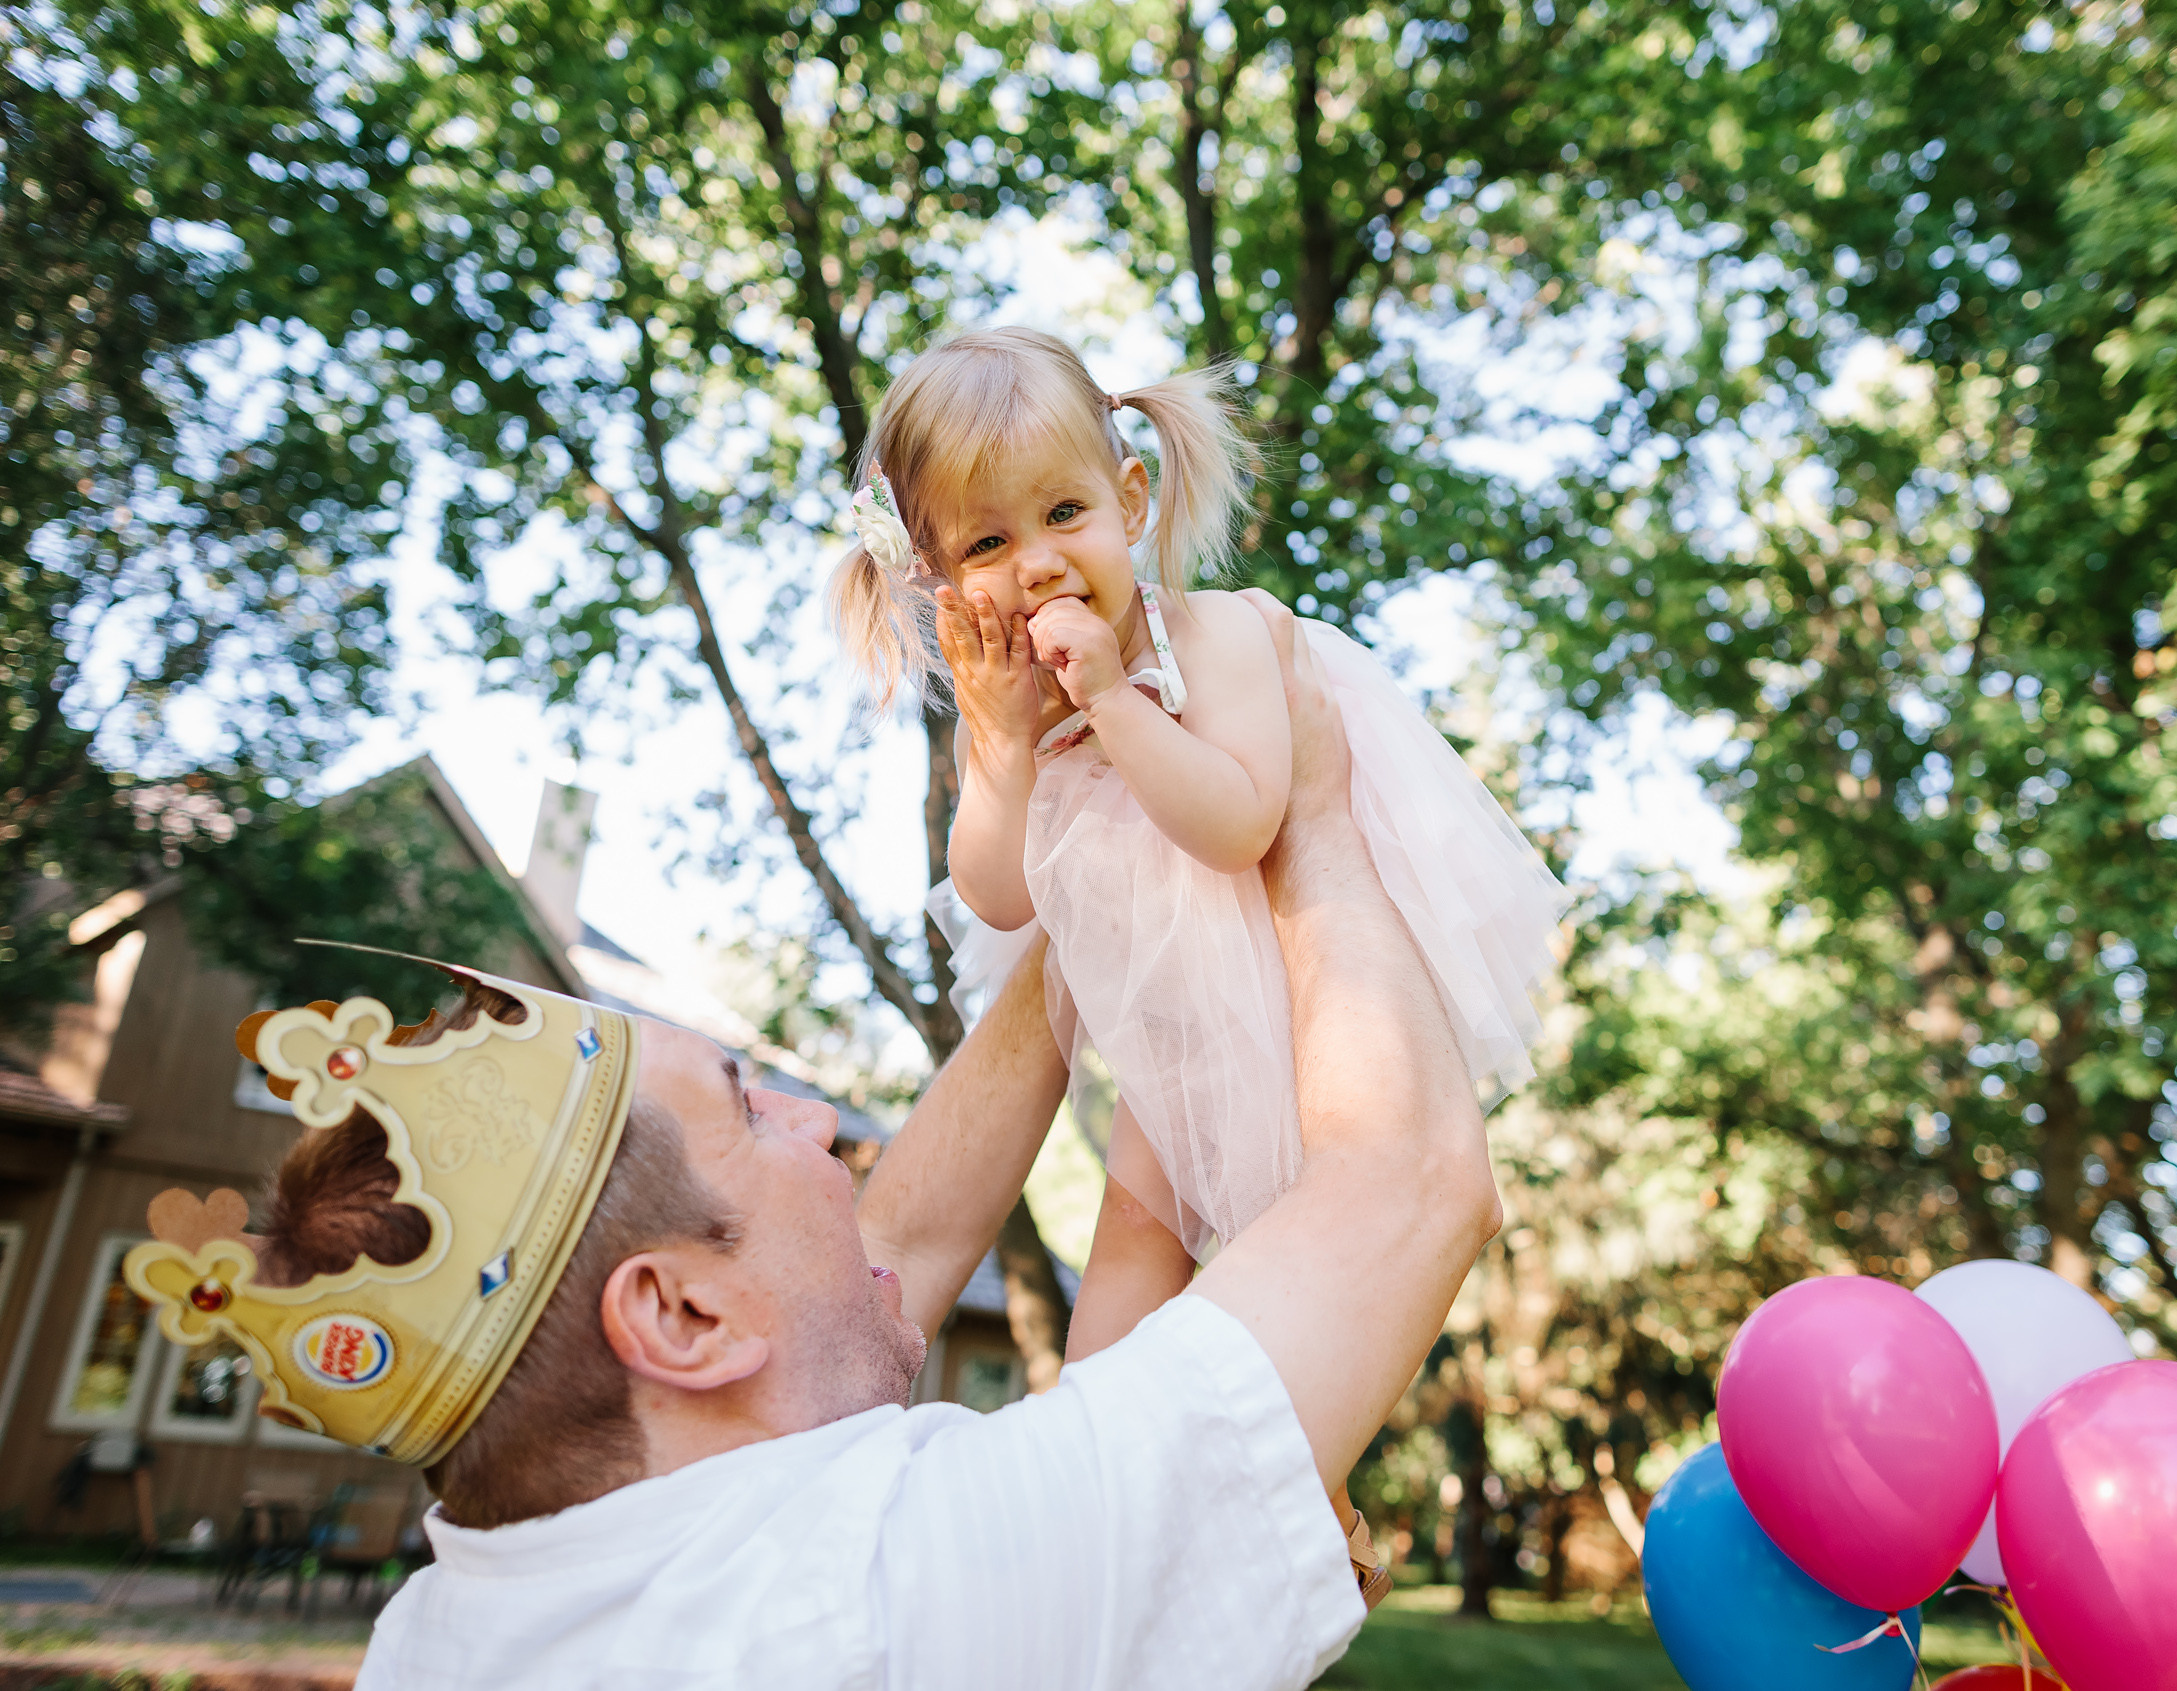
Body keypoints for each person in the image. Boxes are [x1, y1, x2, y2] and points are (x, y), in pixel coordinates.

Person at [119, 596, 1501, 1689]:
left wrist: (1098, 891)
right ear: (675, 1310)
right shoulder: (904, 1600)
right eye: (745, 1102)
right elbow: (1409, 1180)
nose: (823, 1118)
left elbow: (873, 1255)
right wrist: (1310, 810)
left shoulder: (457, 1622)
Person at [829, 326, 1564, 1378]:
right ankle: (1093, 1437)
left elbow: (1242, 826)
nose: (1036, 562)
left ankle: (1306, 1465)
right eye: (987, 546)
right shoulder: (1009, 700)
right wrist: (996, 746)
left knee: (1318, 1220)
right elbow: (995, 899)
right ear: (940, 575)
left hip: (1308, 967)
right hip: (1176, 994)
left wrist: (1112, 701)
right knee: (1136, 1225)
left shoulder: (1209, 635)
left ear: (1129, 502)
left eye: (1063, 514)